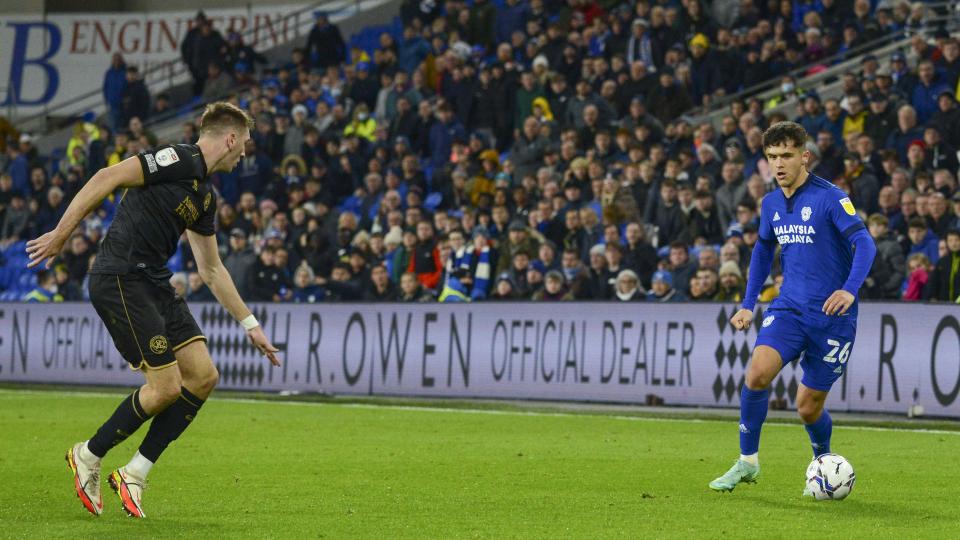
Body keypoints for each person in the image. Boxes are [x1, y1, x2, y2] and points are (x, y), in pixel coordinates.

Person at [26, 102, 280, 518]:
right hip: (122, 277)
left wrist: (250, 324)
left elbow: (212, 269)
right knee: (165, 387)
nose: (245, 153)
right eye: (245, 143)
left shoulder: (204, 196)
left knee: (202, 377)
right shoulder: (177, 158)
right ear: (231, 138)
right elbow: (107, 177)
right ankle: (89, 454)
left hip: (154, 282)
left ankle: (135, 473)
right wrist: (60, 233)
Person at [709, 122, 876, 495]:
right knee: (757, 374)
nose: (778, 164)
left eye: (786, 155)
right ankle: (747, 462)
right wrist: (748, 304)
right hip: (788, 309)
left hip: (833, 318)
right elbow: (764, 250)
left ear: (805, 156)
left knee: (807, 408)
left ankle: (823, 464)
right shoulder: (770, 203)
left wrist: (849, 290)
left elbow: (865, 244)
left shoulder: (831, 198)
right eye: (771, 157)